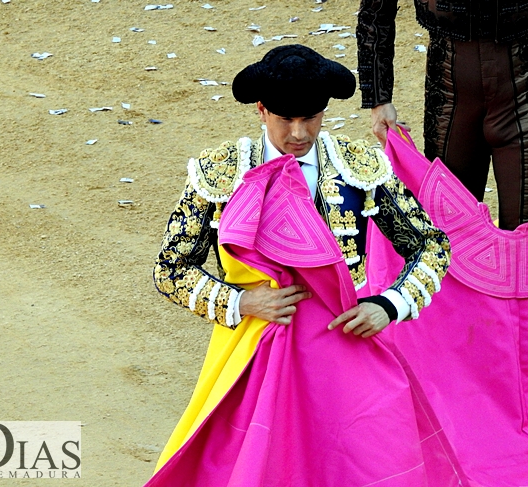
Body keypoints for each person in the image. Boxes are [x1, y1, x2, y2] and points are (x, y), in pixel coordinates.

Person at [149, 45, 453, 486]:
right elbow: (170, 268)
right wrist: (240, 301)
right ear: (261, 110)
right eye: (285, 119)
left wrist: (387, 306)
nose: (298, 132)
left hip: (343, 340)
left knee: (361, 459)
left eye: (310, 117)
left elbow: (431, 244)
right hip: (255, 343)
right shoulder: (220, 174)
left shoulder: (359, 166)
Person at [357, 0, 528, 230]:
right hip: (449, 92)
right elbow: (376, 9)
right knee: (451, 231)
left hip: (525, 88)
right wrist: (378, 99)